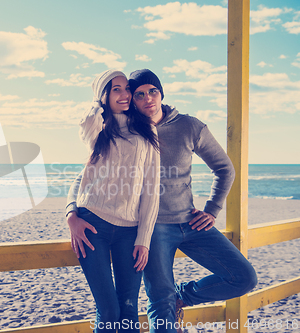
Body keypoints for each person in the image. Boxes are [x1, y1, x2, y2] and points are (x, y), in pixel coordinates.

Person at [66, 69, 257, 333]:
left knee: (244, 277)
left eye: (153, 91)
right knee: (158, 305)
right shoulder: (127, 130)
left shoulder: (189, 126)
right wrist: (71, 212)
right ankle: (170, 301)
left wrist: (212, 210)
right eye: (140, 94)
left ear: (161, 93)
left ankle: (183, 296)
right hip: (153, 229)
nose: (148, 99)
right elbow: (88, 175)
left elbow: (225, 169)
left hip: (191, 223)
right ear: (133, 100)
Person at [67, 69, 160, 333]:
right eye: (116, 89)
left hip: (130, 232)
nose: (125, 94)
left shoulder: (147, 130)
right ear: (104, 95)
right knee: (108, 311)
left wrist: (144, 238)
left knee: (129, 308)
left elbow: (151, 189)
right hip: (92, 225)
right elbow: (87, 124)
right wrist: (71, 215)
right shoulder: (98, 129)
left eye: (126, 88)